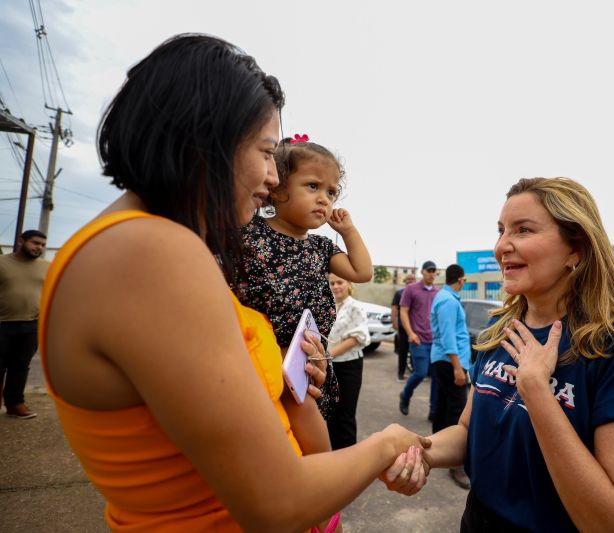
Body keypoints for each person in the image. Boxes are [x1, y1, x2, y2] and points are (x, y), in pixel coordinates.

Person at [39, 34, 428, 532]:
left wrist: (297, 388)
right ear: (206, 141)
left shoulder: (142, 244)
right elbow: (276, 502)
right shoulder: (150, 255)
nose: (271, 178)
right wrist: (391, 443)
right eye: (267, 153)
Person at [389, 178, 614, 531]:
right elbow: (469, 429)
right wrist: (419, 452)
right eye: (500, 231)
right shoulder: (502, 330)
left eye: (523, 230)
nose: (501, 246)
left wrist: (538, 392)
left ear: (576, 249)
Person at [237, 134, 372, 458]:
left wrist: (348, 231)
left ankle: (323, 493)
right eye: (313, 186)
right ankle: (318, 489)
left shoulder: (321, 247)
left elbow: (362, 271)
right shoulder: (250, 231)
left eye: (331, 192)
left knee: (307, 416)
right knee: (275, 434)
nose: (324, 199)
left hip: (306, 354)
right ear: (278, 188)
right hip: (263, 351)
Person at [429, 263, 472, 489]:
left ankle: (435, 449)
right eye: (464, 280)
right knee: (458, 410)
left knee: (445, 406)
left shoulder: (446, 298)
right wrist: (457, 367)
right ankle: (456, 465)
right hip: (449, 362)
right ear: (460, 280)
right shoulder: (447, 301)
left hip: (447, 361)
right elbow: (448, 337)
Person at [0, 229, 49, 418]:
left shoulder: (46, 266)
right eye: (35, 243)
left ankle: (15, 405)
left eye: (43, 245)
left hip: (30, 325)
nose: (39, 248)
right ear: (21, 241)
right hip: (2, 323)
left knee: (20, 366)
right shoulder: (2, 263)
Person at [325, 273, 370, 449]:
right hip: (329, 366)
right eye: (332, 283)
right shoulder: (328, 306)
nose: (336, 286)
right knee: (330, 414)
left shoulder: (355, 307)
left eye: (340, 282)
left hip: (348, 367)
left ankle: (349, 460)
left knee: (345, 416)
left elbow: (358, 337)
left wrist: (328, 355)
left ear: (349, 284)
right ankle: (335, 457)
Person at [398, 260, 439, 420]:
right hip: (418, 340)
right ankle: (405, 395)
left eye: (434, 271)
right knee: (421, 372)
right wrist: (410, 333)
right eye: (428, 270)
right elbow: (403, 311)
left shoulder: (438, 292)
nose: (431, 273)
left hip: (435, 341)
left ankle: (434, 410)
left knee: (436, 377)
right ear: (422, 272)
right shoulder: (411, 289)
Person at [392, 273, 416, 381]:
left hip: (416, 327)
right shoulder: (399, 293)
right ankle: (400, 374)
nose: (410, 281)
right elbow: (394, 308)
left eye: (412, 279)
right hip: (403, 327)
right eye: (408, 279)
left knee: (417, 351)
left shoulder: (418, 293)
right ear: (405, 281)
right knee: (403, 351)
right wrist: (394, 322)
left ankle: (416, 373)